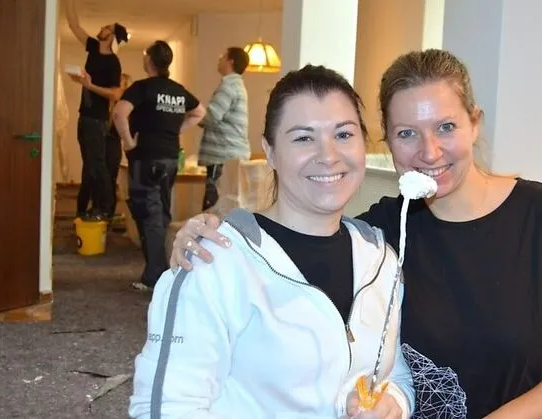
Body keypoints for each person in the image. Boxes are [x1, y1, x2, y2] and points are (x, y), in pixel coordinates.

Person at [169, 49, 542, 419]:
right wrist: (212, 231)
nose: (429, 151)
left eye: (446, 127)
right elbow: (294, 239)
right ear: (386, 142)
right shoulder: (381, 235)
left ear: (475, 123)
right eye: (407, 133)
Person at [128, 65, 414, 418]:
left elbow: (396, 374)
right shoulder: (213, 260)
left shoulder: (381, 260)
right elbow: (166, 408)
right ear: (270, 151)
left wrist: (394, 403)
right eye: (303, 138)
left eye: (343, 134)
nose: (328, 155)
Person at [112, 41, 206, 291]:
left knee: (148, 214)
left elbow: (119, 113)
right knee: (160, 212)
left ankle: (156, 276)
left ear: (149, 61)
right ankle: (160, 270)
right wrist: (175, 130)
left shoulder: (142, 88)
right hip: (170, 158)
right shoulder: (178, 90)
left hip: (146, 157)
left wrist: (128, 142)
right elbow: (199, 112)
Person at [65, 0, 127, 220]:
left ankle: (105, 208)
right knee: (90, 165)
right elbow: (74, 25)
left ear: (111, 37)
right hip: (85, 115)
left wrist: (89, 86)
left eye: (107, 28)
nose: (103, 27)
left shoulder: (113, 63)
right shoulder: (92, 47)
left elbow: (116, 94)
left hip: (97, 119)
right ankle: (91, 209)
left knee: (97, 165)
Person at [197, 47, 251, 211]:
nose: (219, 59)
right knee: (227, 202)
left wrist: (194, 115)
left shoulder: (228, 86)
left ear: (230, 61)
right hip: (233, 153)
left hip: (222, 153)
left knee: (214, 203)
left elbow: (212, 116)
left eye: (222, 56)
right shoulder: (238, 85)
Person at [77, 73, 133, 219]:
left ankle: (106, 214)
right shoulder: (102, 104)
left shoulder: (124, 107)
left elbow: (123, 127)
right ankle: (89, 210)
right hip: (100, 141)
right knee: (91, 175)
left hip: (112, 143)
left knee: (108, 178)